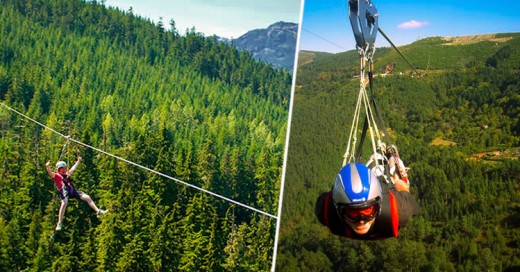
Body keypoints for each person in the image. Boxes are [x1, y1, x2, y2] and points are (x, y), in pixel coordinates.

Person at [315, 161, 419, 240]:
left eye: (367, 211)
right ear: (339, 210)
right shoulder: (326, 212)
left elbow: (405, 193)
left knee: (399, 184)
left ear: (379, 206)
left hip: (388, 197)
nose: (361, 220)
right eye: (353, 213)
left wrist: (400, 182)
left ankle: (385, 170)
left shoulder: (401, 210)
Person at [45, 157, 107, 231]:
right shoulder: (57, 176)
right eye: (64, 168)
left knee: (87, 197)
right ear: (60, 169)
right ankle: (59, 222)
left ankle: (98, 211)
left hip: (72, 191)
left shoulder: (66, 174)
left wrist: (78, 161)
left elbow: (73, 169)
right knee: (64, 203)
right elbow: (50, 174)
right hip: (65, 191)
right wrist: (47, 166)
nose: (66, 169)